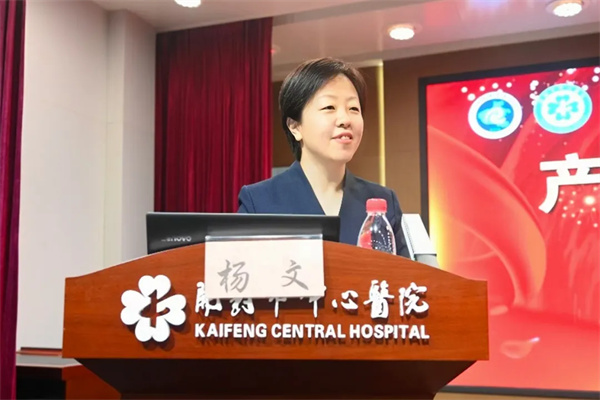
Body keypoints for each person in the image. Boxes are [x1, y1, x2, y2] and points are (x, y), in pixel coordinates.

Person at [237, 57, 409, 257]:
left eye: (353, 108)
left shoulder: (383, 202)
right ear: (295, 126)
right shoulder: (259, 201)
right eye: (329, 107)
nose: (345, 119)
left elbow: (407, 274)